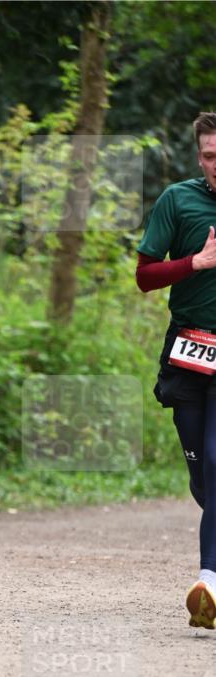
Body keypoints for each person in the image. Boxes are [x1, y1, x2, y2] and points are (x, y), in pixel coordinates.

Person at [136, 111, 216, 629]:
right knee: (202, 480)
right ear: (199, 155)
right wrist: (196, 264)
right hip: (188, 352)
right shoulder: (178, 199)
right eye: (210, 155)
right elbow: (145, 276)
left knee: (215, 460)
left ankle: (208, 583)